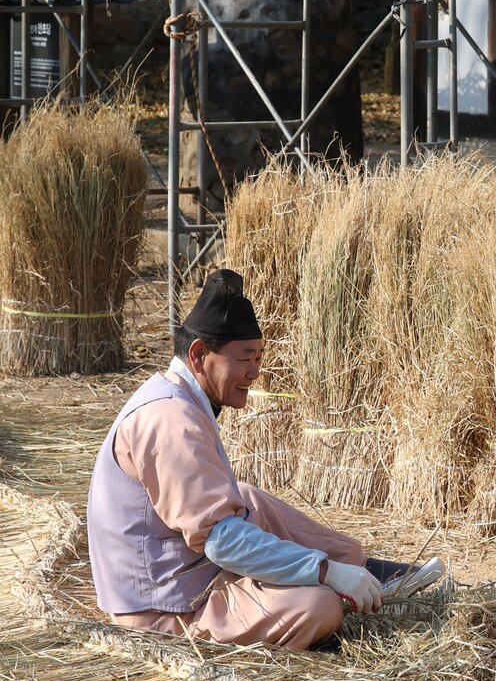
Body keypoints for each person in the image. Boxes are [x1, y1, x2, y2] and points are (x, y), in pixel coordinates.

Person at [87, 268, 443, 651]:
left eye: (258, 357)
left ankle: (362, 572)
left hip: (189, 576)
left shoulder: (176, 398)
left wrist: (332, 566)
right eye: (245, 358)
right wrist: (322, 571)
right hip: (167, 608)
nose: (255, 372)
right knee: (319, 606)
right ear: (199, 355)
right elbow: (221, 542)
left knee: (247, 499)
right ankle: (341, 581)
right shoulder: (170, 420)